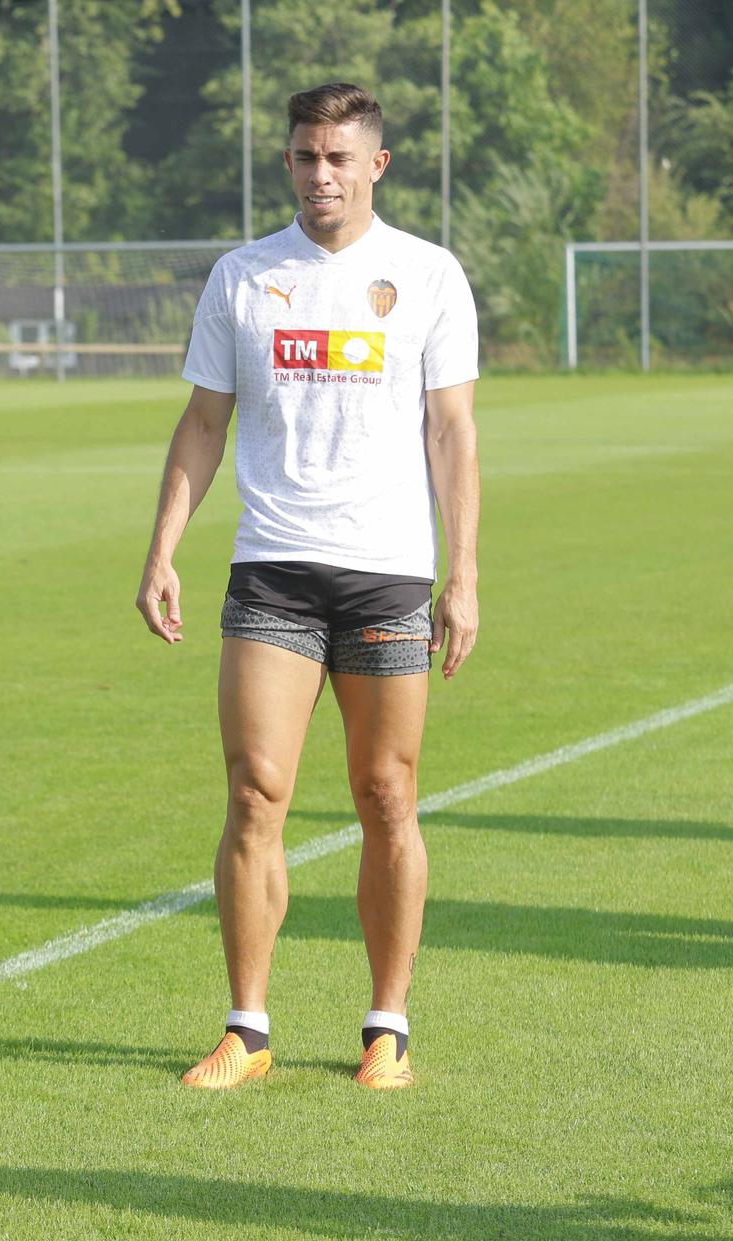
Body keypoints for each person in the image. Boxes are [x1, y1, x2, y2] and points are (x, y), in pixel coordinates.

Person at [135, 82, 481, 1092]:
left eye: (337, 156)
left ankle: (387, 1024)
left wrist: (460, 575)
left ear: (375, 163)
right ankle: (245, 1025)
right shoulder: (242, 277)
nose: (318, 173)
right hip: (272, 570)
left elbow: (449, 429)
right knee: (254, 794)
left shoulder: (424, 275)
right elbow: (203, 422)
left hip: (385, 575)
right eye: (301, 156)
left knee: (385, 793)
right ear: (286, 162)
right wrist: (161, 547)